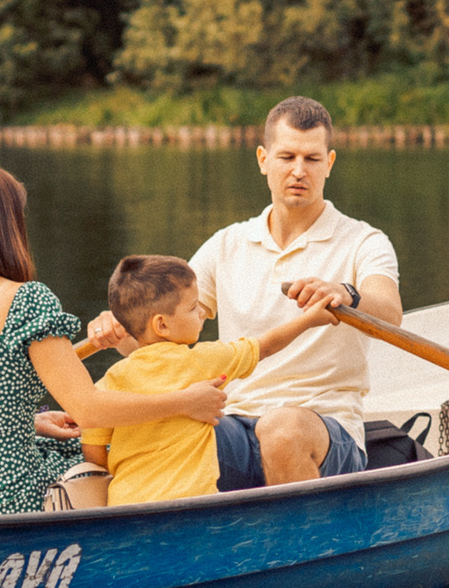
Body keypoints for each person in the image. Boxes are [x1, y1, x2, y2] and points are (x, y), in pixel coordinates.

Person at [88, 95, 403, 489]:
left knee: (281, 430)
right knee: (149, 427)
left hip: (320, 428)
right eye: (287, 157)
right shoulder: (227, 244)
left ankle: (307, 547)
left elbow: (390, 314)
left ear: (330, 163)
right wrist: (122, 332)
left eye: (312, 159)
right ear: (263, 160)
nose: (299, 171)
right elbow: (161, 339)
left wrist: (346, 293)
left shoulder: (363, 241)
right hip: (232, 425)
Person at [0, 161, 226, 517]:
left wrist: (26, 420)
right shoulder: (25, 301)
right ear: (5, 227)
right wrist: (184, 401)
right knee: (116, 452)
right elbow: (89, 410)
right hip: (6, 496)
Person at [78, 255, 341, 505]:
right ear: (162, 325)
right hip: (190, 501)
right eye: (193, 308)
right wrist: (309, 319)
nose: (202, 314)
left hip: (126, 502)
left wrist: (124, 471)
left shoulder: (109, 381)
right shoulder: (203, 361)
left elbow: (94, 448)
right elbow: (266, 346)